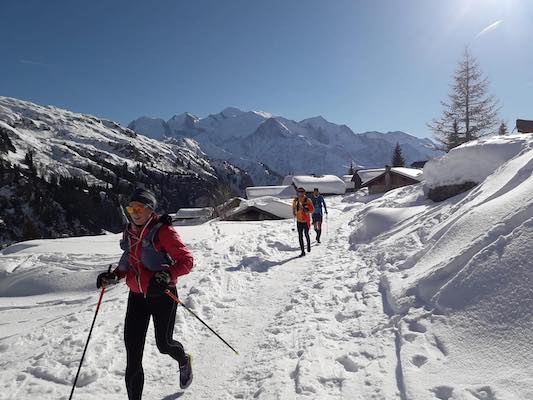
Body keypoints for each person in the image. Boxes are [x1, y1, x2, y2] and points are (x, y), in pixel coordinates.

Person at [96, 188, 194, 399]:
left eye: (139, 208)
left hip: (163, 295)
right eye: (131, 208)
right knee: (133, 357)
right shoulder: (129, 231)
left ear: (150, 210)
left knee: (164, 344)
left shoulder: (164, 232)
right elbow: (128, 261)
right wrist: (114, 276)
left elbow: (187, 261)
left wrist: (166, 276)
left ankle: (184, 360)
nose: (134, 212)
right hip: (137, 297)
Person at [292, 187, 315, 257]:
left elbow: (312, 210)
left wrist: (307, 211)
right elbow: (293, 207)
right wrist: (294, 212)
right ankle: (302, 251)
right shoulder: (295, 200)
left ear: (304, 193)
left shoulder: (307, 200)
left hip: (306, 221)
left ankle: (308, 245)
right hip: (299, 221)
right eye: (299, 192)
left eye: (302, 192)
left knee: (306, 234)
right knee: (300, 236)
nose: (300, 193)